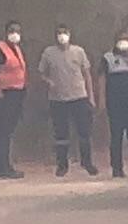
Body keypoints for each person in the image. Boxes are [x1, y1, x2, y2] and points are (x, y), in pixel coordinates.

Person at [39, 26, 98, 175]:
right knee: (61, 134)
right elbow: (41, 73)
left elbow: (87, 74)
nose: (62, 36)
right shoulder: (48, 53)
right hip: (58, 99)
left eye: (64, 33)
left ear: (70, 35)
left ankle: (87, 162)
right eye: (59, 33)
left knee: (84, 132)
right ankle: (62, 165)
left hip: (79, 97)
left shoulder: (79, 52)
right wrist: (48, 81)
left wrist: (91, 97)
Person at [101, 33, 128, 178]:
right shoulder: (108, 58)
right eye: (121, 40)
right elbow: (101, 78)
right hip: (115, 103)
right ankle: (117, 169)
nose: (123, 44)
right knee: (116, 137)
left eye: (126, 40)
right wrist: (101, 99)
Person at [0, 24, 30, 177]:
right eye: (12, 31)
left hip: (16, 93)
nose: (15, 34)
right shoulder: (0, 49)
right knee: (3, 131)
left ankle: (7, 165)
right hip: (4, 94)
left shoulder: (16, 49)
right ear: (6, 32)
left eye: (18, 31)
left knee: (9, 131)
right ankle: (2, 167)